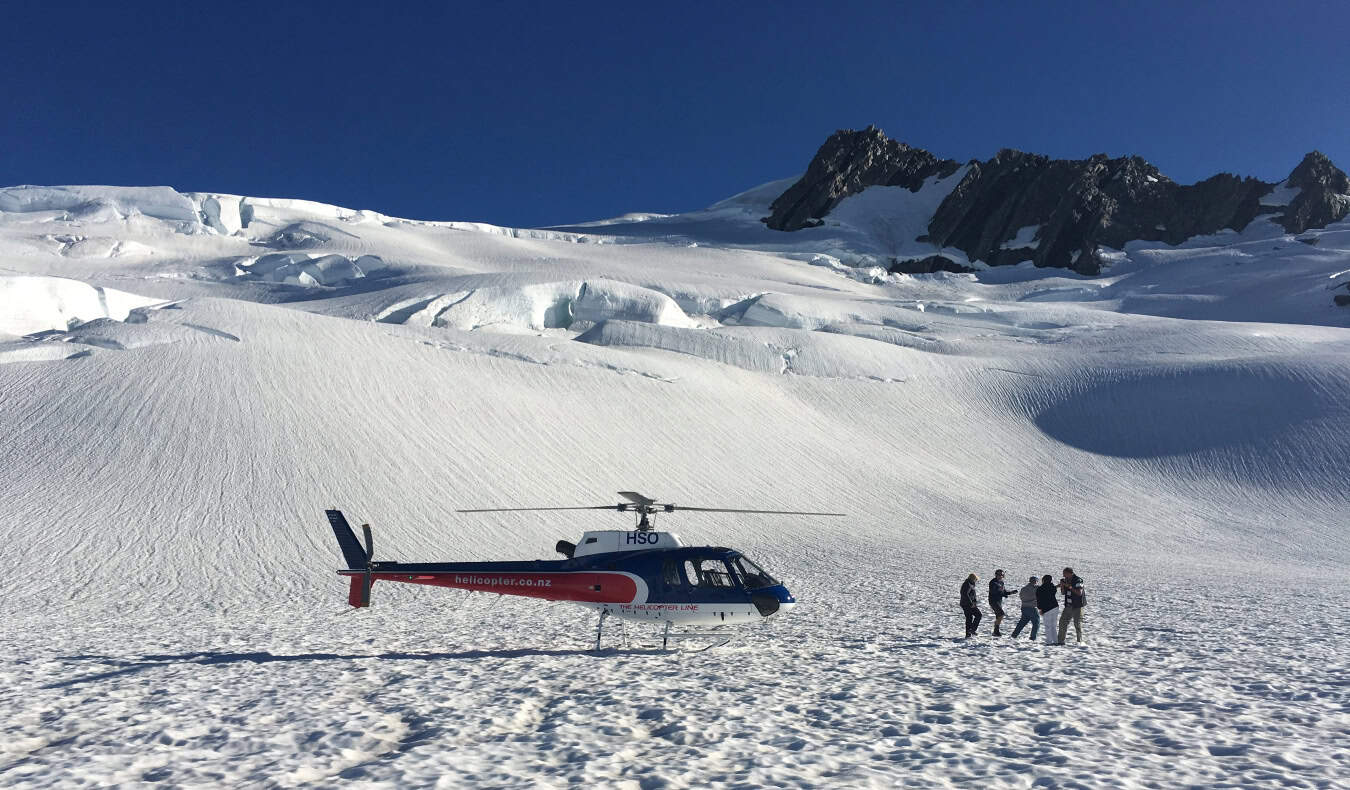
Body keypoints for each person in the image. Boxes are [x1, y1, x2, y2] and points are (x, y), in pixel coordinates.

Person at [1057, 567, 1086, 644]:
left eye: (1065, 574)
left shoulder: (1078, 580)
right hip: (1068, 606)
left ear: (1070, 573)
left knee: (1077, 623)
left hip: (1077, 606)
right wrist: (1062, 586)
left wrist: (1068, 586)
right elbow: (1063, 593)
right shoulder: (1066, 580)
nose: (1063, 576)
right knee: (1062, 622)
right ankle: (1060, 641)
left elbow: (1079, 593)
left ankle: (1080, 642)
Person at [1010, 574, 1040, 640]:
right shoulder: (1036, 588)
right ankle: (1033, 637)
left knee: (1022, 622)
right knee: (1036, 623)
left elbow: (1022, 597)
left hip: (1024, 607)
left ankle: (1014, 635)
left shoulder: (1023, 588)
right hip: (1032, 608)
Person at [988, 569, 1017, 636]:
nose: (1000, 576)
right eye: (999, 574)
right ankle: (995, 631)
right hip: (993, 601)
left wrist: (1011, 592)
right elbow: (994, 592)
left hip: (999, 601)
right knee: (1001, 614)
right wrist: (1003, 594)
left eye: (1002, 575)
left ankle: (996, 631)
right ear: (996, 575)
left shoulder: (1001, 582)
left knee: (998, 616)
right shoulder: (993, 582)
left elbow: (1004, 592)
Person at [1036, 574, 1059, 645]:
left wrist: (1040, 609)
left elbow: (1038, 600)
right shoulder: (1052, 587)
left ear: (1043, 580)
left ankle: (1049, 641)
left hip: (1046, 608)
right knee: (1053, 626)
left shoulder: (1040, 589)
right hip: (1055, 607)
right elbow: (1053, 589)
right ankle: (1055, 641)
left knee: (1048, 626)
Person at [960, 573, 981, 638]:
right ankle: (972, 630)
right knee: (978, 615)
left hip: (968, 604)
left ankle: (968, 634)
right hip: (967, 604)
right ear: (973, 578)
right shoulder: (967, 584)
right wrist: (971, 603)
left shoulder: (970, 584)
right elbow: (965, 594)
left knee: (969, 618)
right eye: (976, 579)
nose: (976, 581)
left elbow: (972, 595)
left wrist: (974, 601)